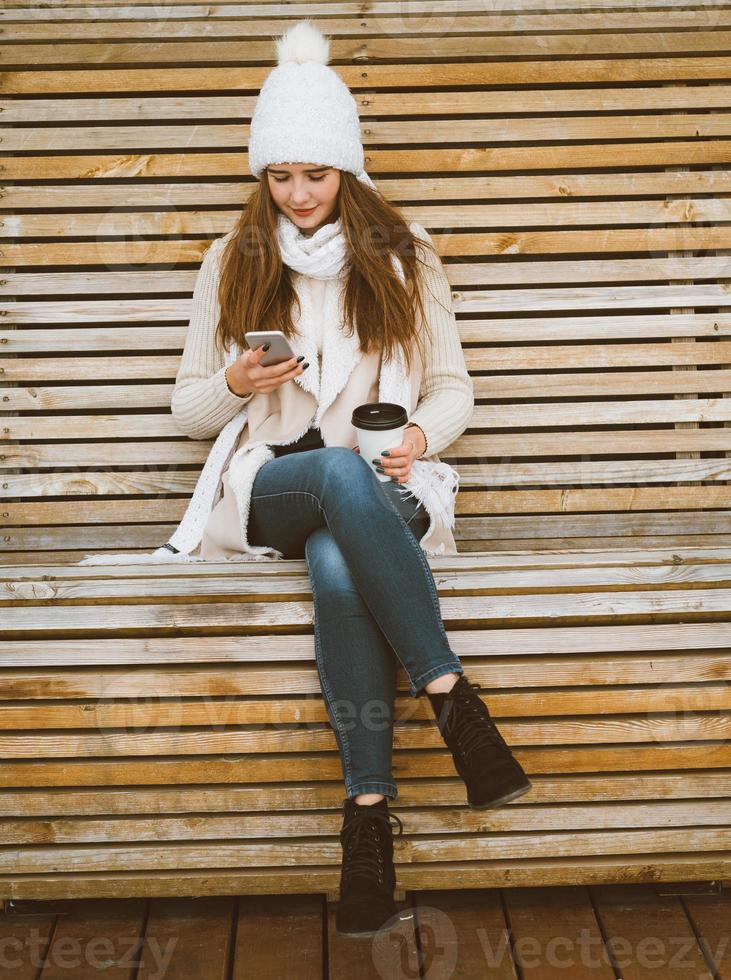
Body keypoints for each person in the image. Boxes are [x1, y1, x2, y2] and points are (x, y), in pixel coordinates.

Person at [79, 18, 532, 938]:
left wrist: (415, 435)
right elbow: (189, 411)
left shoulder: (406, 257)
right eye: (279, 176)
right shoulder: (235, 261)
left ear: (348, 173)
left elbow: (451, 390)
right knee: (324, 482)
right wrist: (235, 383)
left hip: (383, 490)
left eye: (314, 174)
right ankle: (451, 697)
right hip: (272, 488)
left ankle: (366, 826)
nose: (296, 195)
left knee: (337, 557)